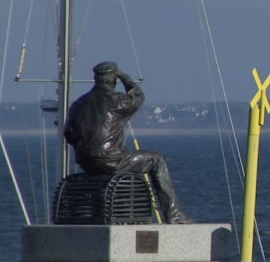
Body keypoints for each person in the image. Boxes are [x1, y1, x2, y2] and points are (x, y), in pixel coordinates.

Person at [64, 61, 194, 224]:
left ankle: (100, 213)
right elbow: (138, 97)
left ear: (95, 79)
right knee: (156, 160)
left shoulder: (78, 104)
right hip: (110, 160)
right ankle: (173, 215)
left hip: (85, 162)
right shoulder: (117, 100)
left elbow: (68, 135)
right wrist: (125, 78)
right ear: (113, 79)